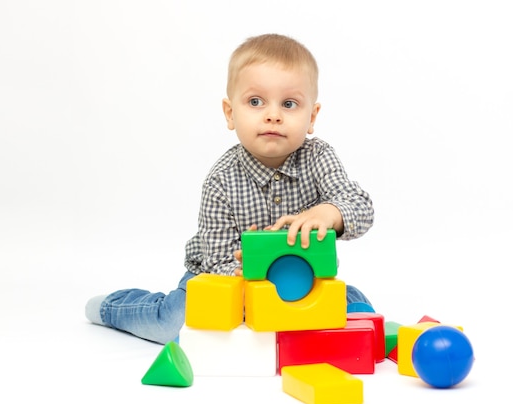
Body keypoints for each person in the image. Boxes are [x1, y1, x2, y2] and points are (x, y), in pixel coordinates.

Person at [85, 33, 375, 344]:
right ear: (230, 113)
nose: (273, 114)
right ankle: (112, 307)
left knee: (340, 312)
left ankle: (360, 315)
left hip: (299, 283)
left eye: (289, 104)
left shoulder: (319, 157)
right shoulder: (221, 180)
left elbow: (361, 207)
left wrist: (329, 212)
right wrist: (251, 274)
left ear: (311, 117)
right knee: (174, 324)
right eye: (255, 101)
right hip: (224, 280)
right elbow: (216, 261)